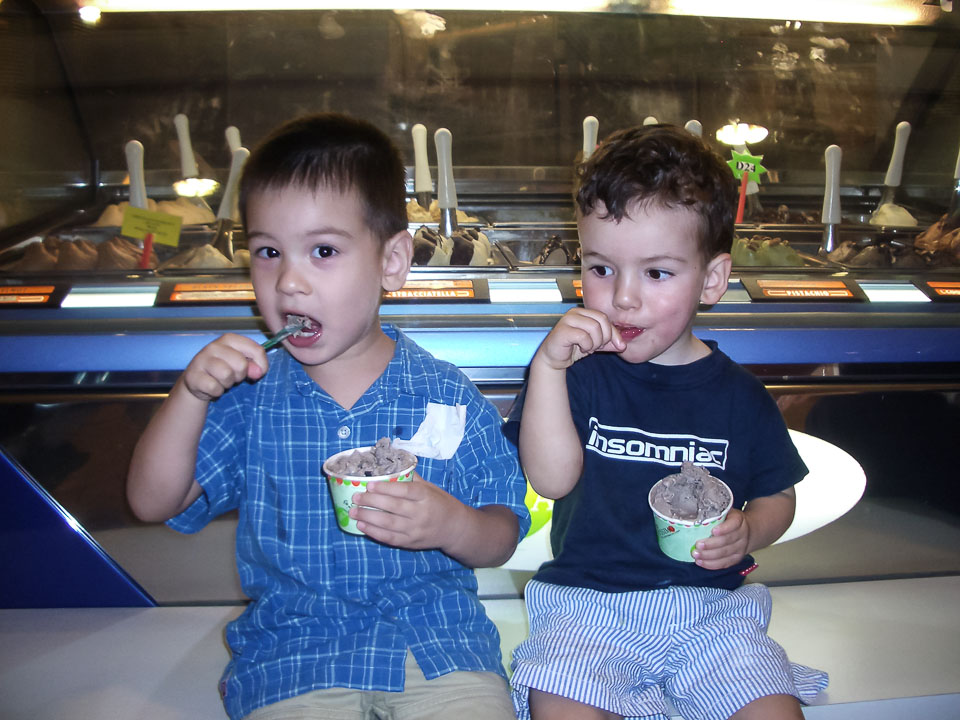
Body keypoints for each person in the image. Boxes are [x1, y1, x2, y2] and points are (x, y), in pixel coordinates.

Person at [127, 112, 530, 720]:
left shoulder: (444, 393)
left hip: (438, 645)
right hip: (294, 655)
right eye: (268, 252)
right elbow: (151, 502)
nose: (289, 282)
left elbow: (502, 532)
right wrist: (189, 395)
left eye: (323, 251)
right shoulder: (249, 399)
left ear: (392, 262)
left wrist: (452, 525)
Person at [505, 124, 828, 720]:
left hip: (713, 616)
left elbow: (777, 495)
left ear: (712, 279)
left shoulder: (741, 396)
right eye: (601, 268)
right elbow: (550, 480)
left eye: (656, 273)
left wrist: (750, 531)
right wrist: (548, 368)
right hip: (586, 611)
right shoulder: (576, 375)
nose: (623, 298)